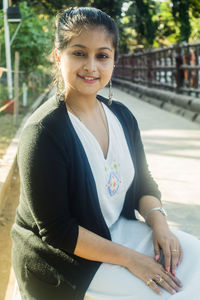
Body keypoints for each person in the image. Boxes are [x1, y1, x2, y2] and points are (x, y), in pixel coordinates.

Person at [11, 7, 200, 300]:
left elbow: (143, 183)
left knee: (196, 260)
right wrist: (131, 259)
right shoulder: (44, 132)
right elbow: (58, 231)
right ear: (59, 57)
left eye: (102, 55)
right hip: (67, 261)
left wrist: (161, 225)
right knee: (171, 295)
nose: (91, 66)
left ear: (113, 60)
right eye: (78, 53)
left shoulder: (122, 116)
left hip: (119, 232)